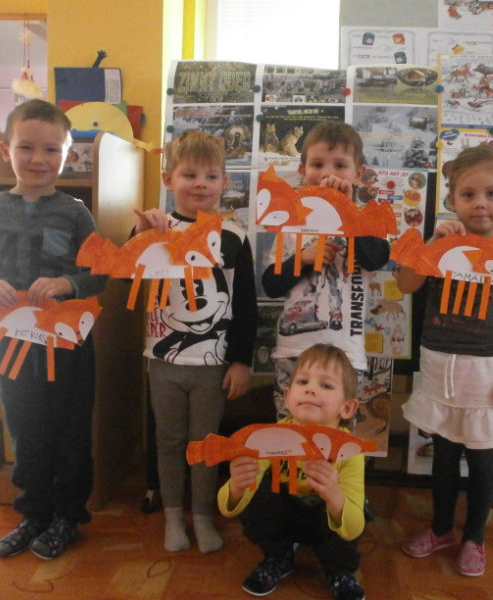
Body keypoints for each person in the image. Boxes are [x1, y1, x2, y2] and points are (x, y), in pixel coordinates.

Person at [0, 99, 107, 559]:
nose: (38, 159)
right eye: (26, 147)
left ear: (68, 155)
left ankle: (68, 517)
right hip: (12, 342)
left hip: (68, 344)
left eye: (51, 150)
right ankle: (34, 513)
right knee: (25, 428)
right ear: (6, 150)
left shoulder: (75, 213)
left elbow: (98, 273)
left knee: (70, 430)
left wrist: (66, 283)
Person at [394, 144, 493, 577]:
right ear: (452, 200)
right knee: (442, 454)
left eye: (491, 194)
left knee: (483, 459)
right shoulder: (443, 246)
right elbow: (405, 284)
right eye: (469, 194)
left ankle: (475, 536)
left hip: (487, 373)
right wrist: (432, 244)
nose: (480, 204)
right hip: (439, 365)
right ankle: (441, 528)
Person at [135, 129, 257, 553]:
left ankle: (202, 516)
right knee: (168, 442)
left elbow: (245, 303)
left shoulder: (234, 234)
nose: (201, 184)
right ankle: (173, 517)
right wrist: (141, 233)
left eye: (211, 176)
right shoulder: (157, 228)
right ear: (169, 179)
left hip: (213, 365)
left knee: (205, 444)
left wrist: (241, 361)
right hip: (162, 360)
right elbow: (128, 275)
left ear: (224, 182)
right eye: (190, 175)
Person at [261, 121, 390, 421]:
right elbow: (271, 284)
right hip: (294, 353)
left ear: (358, 173)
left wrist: (345, 209)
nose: (328, 173)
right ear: (302, 170)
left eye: (340, 165)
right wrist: (303, 258)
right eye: (318, 164)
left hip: (345, 356)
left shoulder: (366, 222)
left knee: (337, 435)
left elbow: (375, 259)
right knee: (290, 433)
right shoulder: (290, 225)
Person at [218, 344, 367, 600]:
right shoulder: (269, 439)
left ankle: (337, 570)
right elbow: (227, 507)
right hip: (286, 516)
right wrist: (236, 487)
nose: (310, 389)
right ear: (287, 397)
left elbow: (353, 528)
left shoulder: (350, 451)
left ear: (347, 408)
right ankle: (279, 556)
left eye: (326, 385)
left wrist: (334, 495)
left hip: (326, 522)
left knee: (348, 510)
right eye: (303, 381)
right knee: (257, 490)